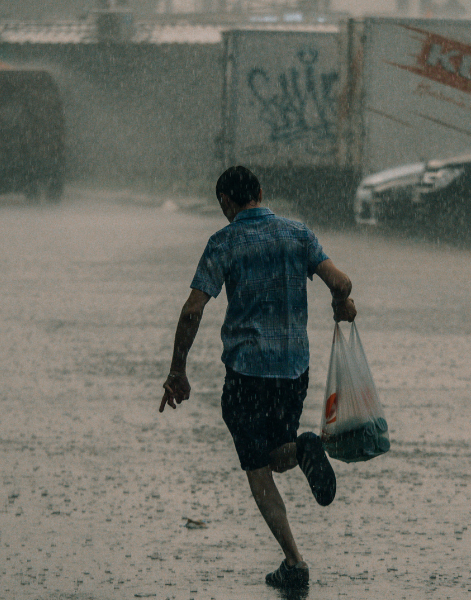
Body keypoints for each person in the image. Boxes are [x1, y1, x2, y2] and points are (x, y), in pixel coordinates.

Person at [160, 165, 357, 590]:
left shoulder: (224, 242)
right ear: (262, 192)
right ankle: (303, 448)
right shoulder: (299, 233)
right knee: (274, 453)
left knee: (257, 469)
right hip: (292, 371)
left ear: (226, 203)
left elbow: (193, 310)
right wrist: (343, 305)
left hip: (247, 373)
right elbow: (340, 282)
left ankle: (295, 562)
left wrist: (178, 370)